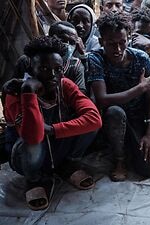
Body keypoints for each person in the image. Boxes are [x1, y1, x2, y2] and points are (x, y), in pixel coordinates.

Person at [2, 36, 102, 210]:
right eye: (44, 68)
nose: (53, 75)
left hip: (58, 147)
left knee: (88, 125)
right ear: (30, 70)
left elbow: (94, 118)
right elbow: (33, 136)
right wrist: (28, 92)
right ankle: (34, 179)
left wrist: (53, 129)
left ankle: (67, 165)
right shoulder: (16, 95)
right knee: (32, 142)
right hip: (27, 155)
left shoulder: (64, 85)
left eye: (58, 69)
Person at [87, 12, 150, 181]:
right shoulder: (96, 59)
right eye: (111, 44)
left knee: (148, 169)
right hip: (109, 119)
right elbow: (102, 100)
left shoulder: (141, 58)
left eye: (122, 43)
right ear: (102, 41)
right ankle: (119, 159)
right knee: (115, 112)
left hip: (136, 117)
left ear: (129, 39)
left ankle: (130, 145)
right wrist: (139, 88)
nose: (118, 49)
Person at [14, 21, 87, 94]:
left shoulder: (75, 65)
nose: (67, 45)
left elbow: (80, 93)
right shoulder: (27, 60)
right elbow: (12, 88)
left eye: (72, 43)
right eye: (63, 40)